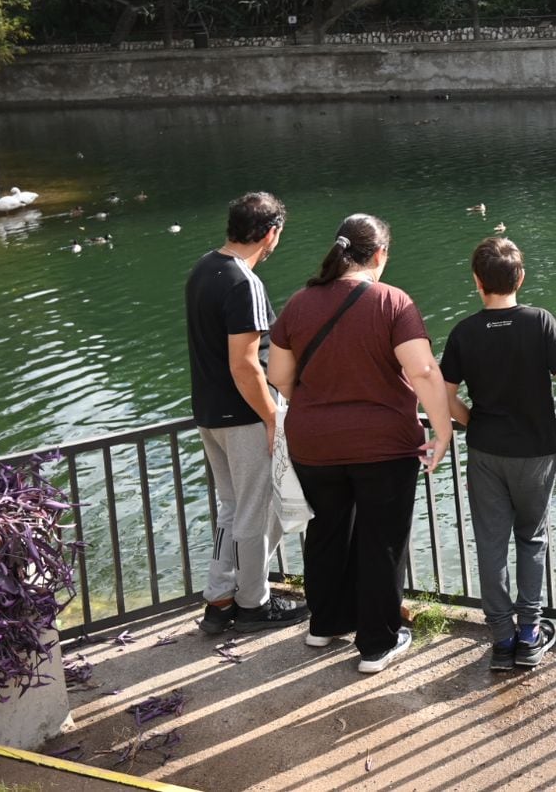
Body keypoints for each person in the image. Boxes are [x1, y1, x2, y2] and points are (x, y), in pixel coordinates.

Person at [267, 214, 456, 675]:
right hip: (383, 447)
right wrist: (443, 430)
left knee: (327, 531)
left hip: (313, 444)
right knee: (381, 540)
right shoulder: (393, 303)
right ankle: (377, 643)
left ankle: (325, 623)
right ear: (380, 255)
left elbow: (277, 376)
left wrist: (322, 409)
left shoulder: (298, 304)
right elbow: (424, 371)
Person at [437, 236, 556, 672]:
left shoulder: (464, 330)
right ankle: (530, 636)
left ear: (477, 282)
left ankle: (501, 638)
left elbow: (445, 398)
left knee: (491, 543)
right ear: (520, 277)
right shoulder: (541, 322)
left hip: (485, 450)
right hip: (536, 450)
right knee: (531, 538)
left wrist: (470, 421)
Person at [185, 191, 309, 634]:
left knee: (233, 508)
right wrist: (273, 417)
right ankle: (254, 603)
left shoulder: (203, 268)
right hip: (244, 416)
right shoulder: (244, 283)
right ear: (270, 234)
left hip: (208, 413)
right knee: (257, 510)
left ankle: (220, 597)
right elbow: (244, 363)